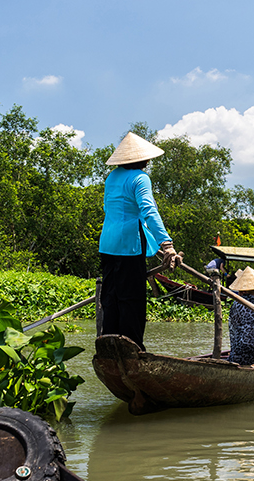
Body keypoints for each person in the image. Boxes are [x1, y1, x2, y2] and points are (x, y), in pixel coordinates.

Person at [98, 132, 181, 351]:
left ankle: (109, 346)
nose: (148, 161)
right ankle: (132, 349)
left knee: (110, 298)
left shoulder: (112, 177)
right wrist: (167, 244)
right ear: (140, 159)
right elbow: (148, 211)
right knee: (131, 300)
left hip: (107, 243)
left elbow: (109, 208)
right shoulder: (140, 178)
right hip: (129, 245)